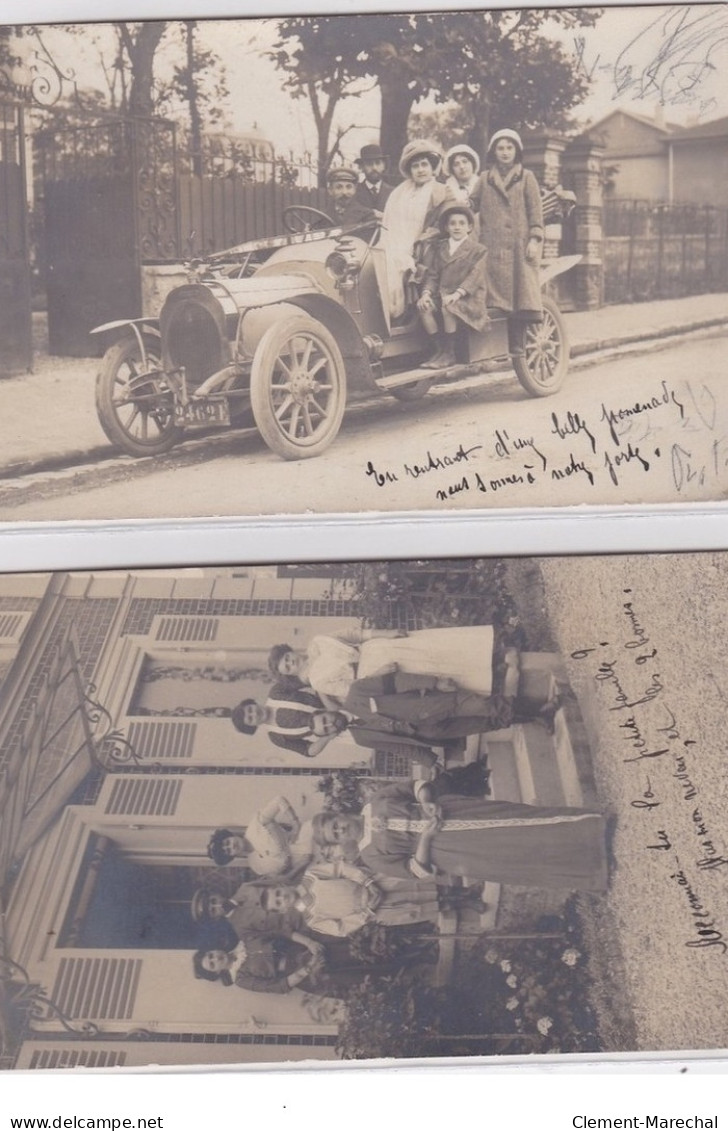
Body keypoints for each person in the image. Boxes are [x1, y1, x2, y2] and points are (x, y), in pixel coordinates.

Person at [313, 787, 609, 892]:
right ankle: (593, 865)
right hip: (453, 850)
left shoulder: (375, 801)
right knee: (519, 851)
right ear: (338, 844)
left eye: (336, 825)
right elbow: (416, 871)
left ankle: (591, 829)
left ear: (339, 815)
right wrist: (426, 838)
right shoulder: (369, 855)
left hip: (456, 813)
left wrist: (426, 801)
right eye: (335, 836)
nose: (341, 831)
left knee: (519, 820)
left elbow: (415, 788)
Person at [267, 621, 512, 705]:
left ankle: (493, 652)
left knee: (434, 647)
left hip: (377, 648)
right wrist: (380, 674)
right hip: (376, 670)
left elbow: (354, 634)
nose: (291, 663)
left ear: (291, 651)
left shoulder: (317, 643)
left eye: (287, 658)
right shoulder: (319, 681)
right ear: (290, 674)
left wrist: (386, 633)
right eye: (287, 667)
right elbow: (352, 689)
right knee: (433, 670)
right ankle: (494, 678)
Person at [341, 670, 562, 753]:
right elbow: (397, 746)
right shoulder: (360, 737)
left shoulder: (356, 693)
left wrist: (433, 683)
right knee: (485, 723)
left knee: (485, 706)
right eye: (326, 729)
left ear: (324, 712)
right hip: (429, 732)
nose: (330, 724)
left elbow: (395, 681)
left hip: (431, 705)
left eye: (325, 720)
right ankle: (537, 717)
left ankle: (541, 709)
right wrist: (427, 760)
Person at [470, 128, 544, 360]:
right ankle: (495, 343)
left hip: (519, 246)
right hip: (492, 247)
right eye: (500, 148)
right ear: (493, 151)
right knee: (495, 298)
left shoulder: (526, 177)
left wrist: (534, 240)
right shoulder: (484, 178)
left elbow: (535, 212)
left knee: (519, 294)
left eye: (509, 148)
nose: (504, 152)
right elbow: (472, 203)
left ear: (517, 151)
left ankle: (517, 342)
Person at [259, 857, 439, 937]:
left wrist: (367, 882)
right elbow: (341, 928)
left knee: (416, 883)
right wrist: (366, 912)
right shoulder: (312, 919)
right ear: (282, 909)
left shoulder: (312, 876)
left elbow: (341, 869)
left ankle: (454, 885)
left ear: (282, 886)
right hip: (375, 909)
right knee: (416, 910)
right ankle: (450, 907)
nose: (282, 898)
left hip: (374, 883)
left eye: (278, 894)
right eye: (278, 902)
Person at [381, 139, 449, 319]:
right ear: (410, 170)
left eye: (424, 165)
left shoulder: (441, 191)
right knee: (387, 263)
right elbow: (390, 225)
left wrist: (420, 245)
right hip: (399, 245)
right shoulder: (399, 193)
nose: (420, 170)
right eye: (415, 166)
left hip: (429, 247)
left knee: (416, 265)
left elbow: (445, 223)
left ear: (432, 167)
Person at [417, 204, 489, 370]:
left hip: (468, 298)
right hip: (442, 295)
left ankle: (449, 354)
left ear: (469, 227)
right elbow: (433, 275)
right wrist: (426, 294)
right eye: (453, 223)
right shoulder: (440, 248)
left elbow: (475, 277)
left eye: (462, 223)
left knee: (448, 307)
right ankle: (439, 351)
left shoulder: (478, 250)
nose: (457, 227)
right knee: (424, 307)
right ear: (446, 227)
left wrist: (456, 294)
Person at [192, 928, 327, 994]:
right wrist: (309, 969)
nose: (216, 958)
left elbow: (281, 931)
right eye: (212, 964)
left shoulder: (245, 939)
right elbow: (279, 986)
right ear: (217, 972)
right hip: (306, 973)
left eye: (211, 955)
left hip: (305, 945)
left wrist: (309, 943)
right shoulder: (241, 979)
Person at [231, 681, 344, 758]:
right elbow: (308, 751)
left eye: (250, 709)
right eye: (250, 719)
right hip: (337, 729)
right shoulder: (275, 737)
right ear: (253, 727)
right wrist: (328, 737)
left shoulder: (276, 692)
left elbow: (309, 679)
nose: (254, 714)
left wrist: (329, 703)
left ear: (253, 703)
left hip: (337, 697)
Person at [206, 795, 309, 875]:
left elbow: (279, 801)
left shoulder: (255, 826)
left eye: (228, 842)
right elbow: (283, 869)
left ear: (230, 835)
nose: (232, 846)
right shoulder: (256, 866)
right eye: (229, 850)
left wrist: (295, 824)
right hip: (304, 863)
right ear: (232, 856)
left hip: (304, 838)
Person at [325, 164, 379, 230]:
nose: (344, 192)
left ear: (355, 189)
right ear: (330, 190)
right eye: (339, 187)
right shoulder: (322, 217)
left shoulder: (367, 216)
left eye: (349, 187)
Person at [354, 143, 393, 211]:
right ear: (362, 167)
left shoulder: (393, 192)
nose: (374, 168)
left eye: (378, 163)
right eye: (369, 164)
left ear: (383, 166)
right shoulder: (354, 192)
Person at [443, 143, 481, 208]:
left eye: (465, 161)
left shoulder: (482, 185)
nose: (462, 167)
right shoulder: (446, 190)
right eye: (456, 164)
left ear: (472, 163)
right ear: (452, 170)